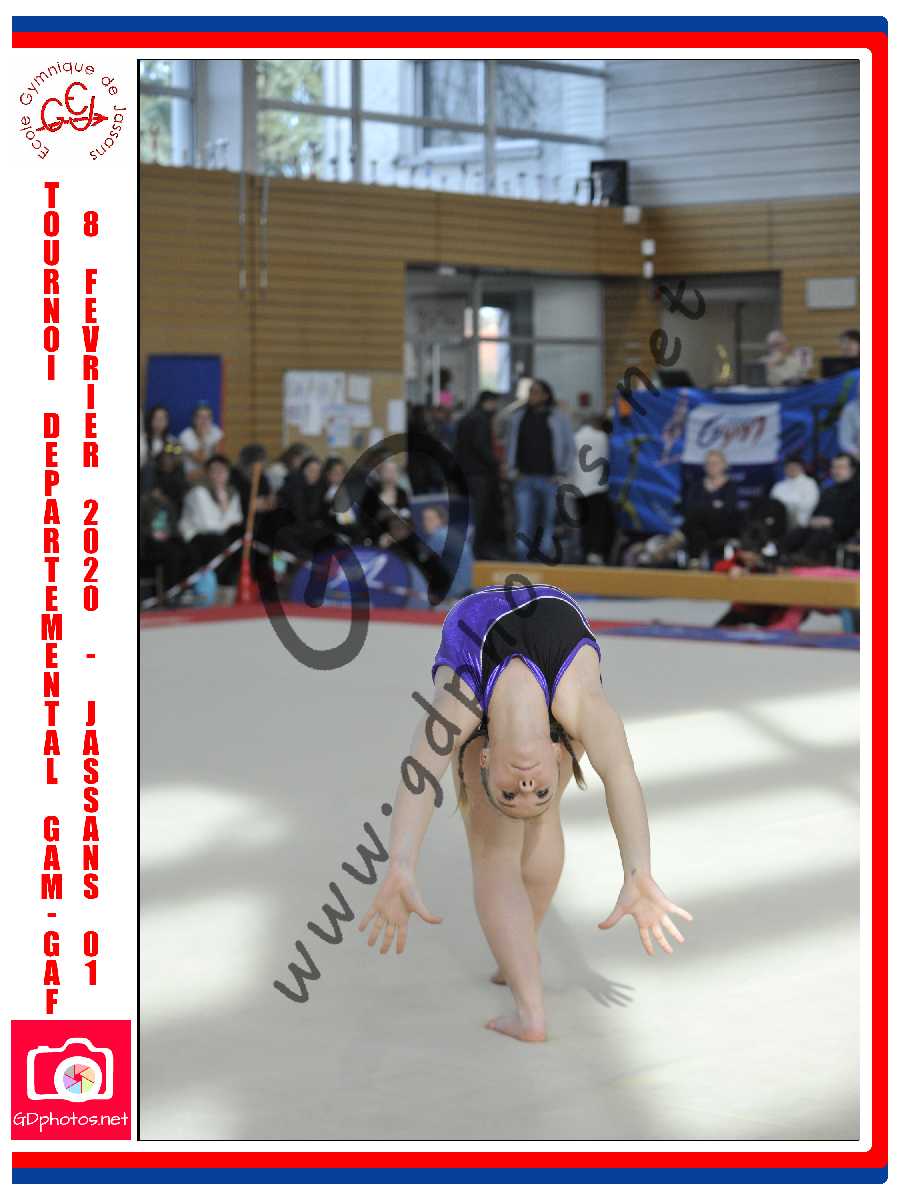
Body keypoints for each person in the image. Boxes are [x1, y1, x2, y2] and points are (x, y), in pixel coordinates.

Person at [358, 582, 693, 1042]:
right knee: (515, 838)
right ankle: (524, 983)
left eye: (511, 792)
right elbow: (620, 774)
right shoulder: (578, 704)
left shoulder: (459, 702)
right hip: (554, 624)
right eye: (535, 791)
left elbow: (419, 773)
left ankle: (521, 978)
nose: (527, 786)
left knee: (506, 844)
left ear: (484, 758)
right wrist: (638, 870)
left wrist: (401, 862)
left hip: (478, 624)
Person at [505, 379, 576, 562]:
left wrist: (562, 472)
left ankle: (544, 556)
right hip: (524, 477)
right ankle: (522, 558)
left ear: (546, 395)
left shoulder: (558, 418)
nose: (532, 396)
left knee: (547, 521)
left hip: (549, 478)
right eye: (530, 392)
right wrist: (511, 469)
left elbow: (569, 446)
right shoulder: (518, 417)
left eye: (536, 392)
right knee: (523, 521)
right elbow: (510, 444)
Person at [178, 454, 244, 587]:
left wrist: (225, 506)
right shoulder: (198, 492)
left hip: (218, 534)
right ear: (207, 474)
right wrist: (225, 509)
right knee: (220, 542)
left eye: (223, 471)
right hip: (195, 535)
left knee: (240, 540)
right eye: (214, 471)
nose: (219, 475)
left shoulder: (231, 492)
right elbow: (207, 524)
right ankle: (213, 585)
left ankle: (232, 585)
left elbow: (238, 518)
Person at [453, 390, 505, 559]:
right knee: (481, 515)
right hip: (480, 474)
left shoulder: (466, 418)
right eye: (494, 403)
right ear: (488, 402)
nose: (495, 408)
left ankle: (469, 549)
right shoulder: (481, 419)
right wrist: (497, 463)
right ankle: (477, 550)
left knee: (471, 514)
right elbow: (481, 446)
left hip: (466, 473)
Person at [784, 454, 859, 564]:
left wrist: (831, 522)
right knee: (797, 534)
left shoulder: (859, 491)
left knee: (820, 536)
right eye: (834, 467)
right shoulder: (828, 491)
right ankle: (779, 558)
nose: (836, 471)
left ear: (852, 470)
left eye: (841, 467)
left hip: (842, 531)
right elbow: (816, 512)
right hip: (819, 528)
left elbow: (855, 520)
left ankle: (804, 561)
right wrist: (814, 520)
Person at [681, 449, 741, 565]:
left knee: (698, 517)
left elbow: (729, 510)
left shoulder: (730, 486)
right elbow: (689, 508)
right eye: (708, 463)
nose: (711, 466)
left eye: (715, 463)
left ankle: (678, 538)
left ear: (724, 465)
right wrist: (714, 506)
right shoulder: (697, 486)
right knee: (697, 529)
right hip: (699, 527)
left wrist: (707, 510)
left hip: (721, 527)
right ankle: (694, 562)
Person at [570, 413, 614, 564]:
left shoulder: (575, 436)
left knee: (583, 522)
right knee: (597, 521)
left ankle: (584, 550)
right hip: (596, 486)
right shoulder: (602, 437)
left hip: (579, 485)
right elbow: (606, 458)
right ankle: (595, 552)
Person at [420, 504, 473, 597]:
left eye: (430, 519)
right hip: (466, 587)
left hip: (456, 592)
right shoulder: (448, 533)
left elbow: (421, 562)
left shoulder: (440, 535)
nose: (426, 523)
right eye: (424, 519)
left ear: (441, 520)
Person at [769, 456, 820, 531]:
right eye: (789, 467)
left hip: (802, 522)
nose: (792, 469)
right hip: (779, 521)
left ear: (801, 468)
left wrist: (787, 505)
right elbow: (772, 505)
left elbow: (809, 505)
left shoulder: (810, 483)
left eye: (795, 466)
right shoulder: (778, 486)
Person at [178, 405, 224, 477]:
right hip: (192, 474)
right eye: (201, 417)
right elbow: (201, 459)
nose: (204, 421)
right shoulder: (185, 436)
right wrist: (203, 437)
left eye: (207, 417)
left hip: (211, 473)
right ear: (194, 419)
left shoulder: (216, 431)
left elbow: (218, 458)